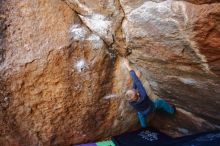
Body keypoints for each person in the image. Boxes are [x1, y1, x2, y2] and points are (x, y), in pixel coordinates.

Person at [124, 58, 176, 128]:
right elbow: (137, 82)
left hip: (142, 112)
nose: (132, 89)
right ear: (138, 93)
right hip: (151, 107)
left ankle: (144, 128)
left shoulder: (130, 101)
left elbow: (134, 89)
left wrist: (136, 80)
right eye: (133, 90)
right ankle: (171, 110)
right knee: (161, 102)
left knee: (140, 116)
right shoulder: (143, 95)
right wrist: (127, 66)